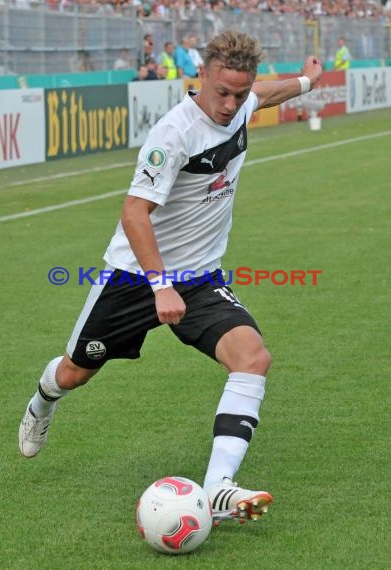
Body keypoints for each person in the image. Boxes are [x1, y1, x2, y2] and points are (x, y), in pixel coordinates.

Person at [19, 30, 322, 524]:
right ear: (201, 76)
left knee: (252, 357)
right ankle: (42, 402)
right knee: (76, 370)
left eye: (239, 94)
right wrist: (161, 286)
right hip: (136, 276)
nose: (230, 104)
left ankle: (218, 487)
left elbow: (270, 93)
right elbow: (135, 212)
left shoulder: (245, 102)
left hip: (200, 278)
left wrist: (309, 79)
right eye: (222, 92)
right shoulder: (174, 133)